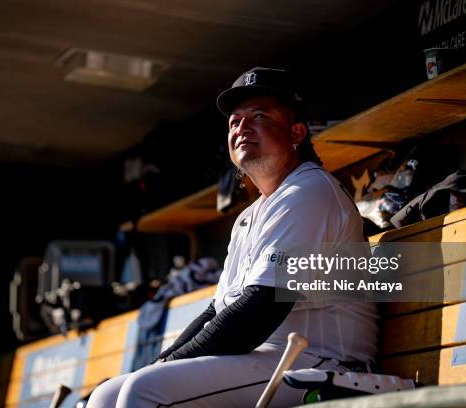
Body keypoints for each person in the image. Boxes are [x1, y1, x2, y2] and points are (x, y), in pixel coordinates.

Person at [87, 67, 378, 408]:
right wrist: (161, 362)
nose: (242, 127)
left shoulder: (310, 190)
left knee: (143, 391)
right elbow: (217, 312)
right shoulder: (249, 216)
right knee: (106, 395)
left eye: (258, 116)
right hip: (269, 356)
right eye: (234, 121)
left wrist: (164, 367)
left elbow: (259, 311)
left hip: (325, 360)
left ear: (296, 132)